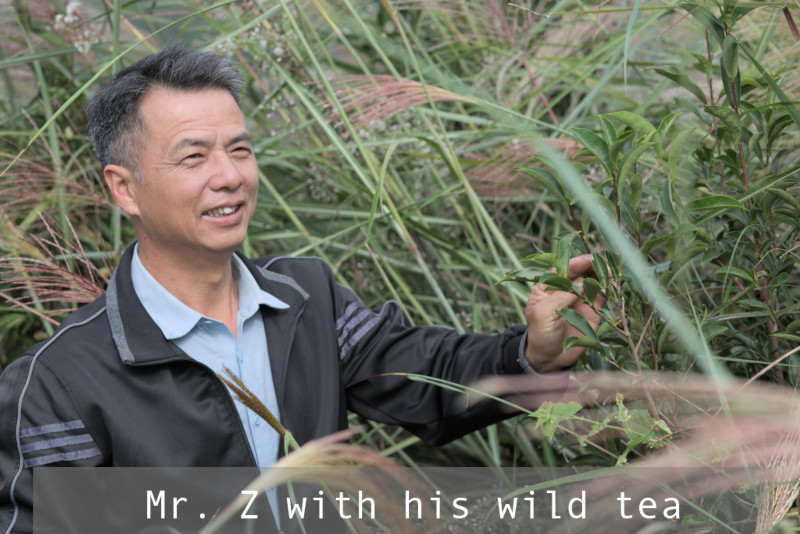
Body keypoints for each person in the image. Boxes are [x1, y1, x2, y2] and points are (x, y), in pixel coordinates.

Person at [0, 46, 604, 534]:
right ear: (124, 188)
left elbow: (427, 379)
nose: (230, 176)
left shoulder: (305, 298)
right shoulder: (58, 383)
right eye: (194, 157)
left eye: (240, 149)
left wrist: (531, 355)